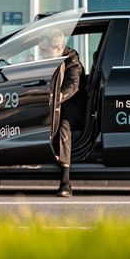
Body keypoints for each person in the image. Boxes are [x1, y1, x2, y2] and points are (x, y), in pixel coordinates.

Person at [37, 28, 83, 198]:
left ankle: (65, 182)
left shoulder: (72, 62)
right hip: (52, 105)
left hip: (72, 107)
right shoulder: (49, 59)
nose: (41, 54)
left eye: (44, 51)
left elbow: (72, 86)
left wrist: (56, 98)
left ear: (58, 49)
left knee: (64, 125)